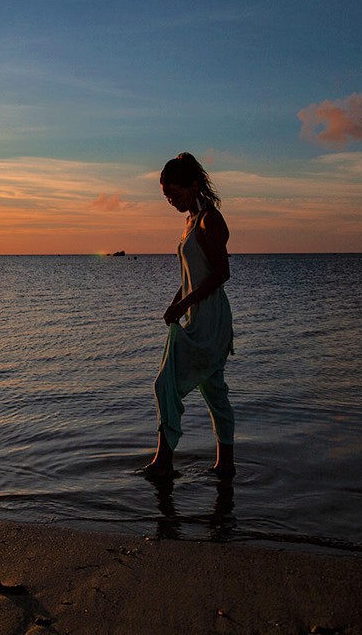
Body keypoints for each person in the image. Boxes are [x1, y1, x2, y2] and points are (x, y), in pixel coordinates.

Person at [144, 153, 235, 479]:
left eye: (176, 195)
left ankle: (164, 461)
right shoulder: (190, 222)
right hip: (195, 312)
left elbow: (221, 273)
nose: (171, 201)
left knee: (165, 383)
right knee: (213, 389)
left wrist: (184, 305)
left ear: (194, 185)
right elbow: (192, 276)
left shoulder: (211, 220)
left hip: (210, 317)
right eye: (168, 197)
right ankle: (226, 464)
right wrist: (176, 302)